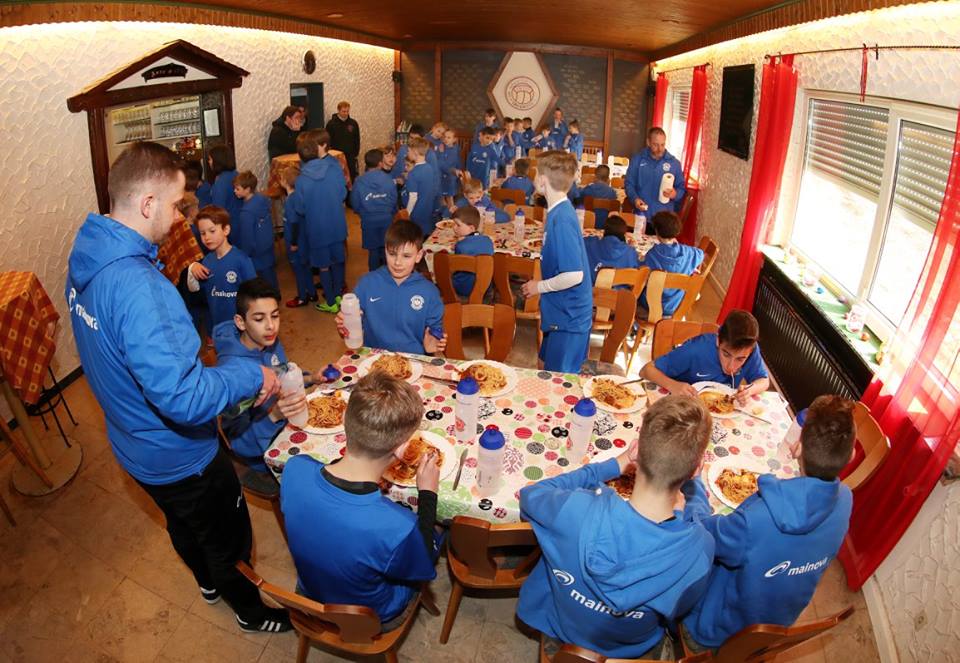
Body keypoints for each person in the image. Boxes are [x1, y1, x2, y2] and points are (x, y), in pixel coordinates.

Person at [65, 141, 290, 634]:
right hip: (182, 456)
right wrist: (250, 374)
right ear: (147, 203)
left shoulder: (86, 254)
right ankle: (251, 613)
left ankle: (206, 582)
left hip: (133, 447)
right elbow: (184, 398)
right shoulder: (142, 289)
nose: (179, 219)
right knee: (227, 537)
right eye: (174, 205)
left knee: (182, 524)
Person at [517, 395, 715, 659]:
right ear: (696, 468)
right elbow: (680, 609)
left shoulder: (576, 510)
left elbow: (532, 495)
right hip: (628, 648)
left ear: (635, 450)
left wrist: (615, 464)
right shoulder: (701, 550)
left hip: (564, 627)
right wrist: (691, 501)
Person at [682, 395, 856, 653]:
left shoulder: (757, 519)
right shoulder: (846, 500)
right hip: (773, 629)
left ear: (797, 448)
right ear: (851, 455)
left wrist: (695, 486)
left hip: (714, 632)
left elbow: (699, 532)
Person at [280, 371, 441, 629]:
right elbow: (424, 564)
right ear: (402, 449)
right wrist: (428, 494)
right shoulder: (398, 526)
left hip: (309, 593)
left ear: (345, 417)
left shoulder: (294, 468)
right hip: (371, 616)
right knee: (441, 532)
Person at [215, 277, 306, 480]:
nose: (271, 326)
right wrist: (273, 416)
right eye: (259, 319)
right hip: (263, 455)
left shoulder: (269, 342)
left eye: (275, 316)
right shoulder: (232, 376)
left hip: (289, 425)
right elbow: (239, 444)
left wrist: (311, 378)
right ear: (240, 322)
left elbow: (282, 373)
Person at [521, 151, 593, 373]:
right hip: (560, 310)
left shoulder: (561, 219)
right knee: (544, 366)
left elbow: (574, 275)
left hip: (570, 317)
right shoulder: (558, 210)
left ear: (542, 181)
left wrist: (538, 286)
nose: (534, 178)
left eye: (536, 174)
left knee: (559, 381)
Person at [335, 220, 447, 355]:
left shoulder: (429, 292)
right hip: (373, 357)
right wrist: (344, 327)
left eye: (406, 256)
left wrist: (434, 341)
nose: (398, 262)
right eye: (392, 254)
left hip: (413, 359)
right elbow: (350, 330)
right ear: (385, 251)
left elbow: (434, 332)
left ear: (418, 256)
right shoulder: (366, 284)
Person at [641, 309, 771, 404]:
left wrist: (750, 390)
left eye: (740, 359)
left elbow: (764, 381)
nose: (731, 367)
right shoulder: (695, 350)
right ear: (718, 341)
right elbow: (646, 370)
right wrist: (673, 385)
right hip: (680, 405)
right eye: (726, 354)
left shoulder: (750, 349)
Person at [290, 129, 348, 314]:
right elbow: (343, 193)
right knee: (338, 261)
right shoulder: (334, 167)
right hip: (337, 224)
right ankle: (339, 295)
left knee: (323, 266)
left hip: (317, 230)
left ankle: (330, 301)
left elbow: (300, 209)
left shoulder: (301, 180)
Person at [187, 205, 257, 333]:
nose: (207, 237)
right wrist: (192, 269)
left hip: (242, 327)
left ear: (226, 230)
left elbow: (255, 295)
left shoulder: (242, 260)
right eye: (203, 233)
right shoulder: (206, 262)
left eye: (212, 231)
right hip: (219, 327)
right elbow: (195, 290)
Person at [637, 210, 704, 316]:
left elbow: (641, 273)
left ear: (657, 232)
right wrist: (691, 268)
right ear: (677, 232)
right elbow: (701, 254)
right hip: (675, 306)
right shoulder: (689, 253)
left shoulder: (653, 254)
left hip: (649, 304)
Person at [624, 127, 686, 226]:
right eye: (655, 145)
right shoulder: (637, 159)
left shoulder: (674, 163)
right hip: (642, 215)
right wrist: (635, 199)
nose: (660, 149)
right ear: (648, 142)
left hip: (664, 219)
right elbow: (629, 184)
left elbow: (681, 188)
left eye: (662, 145)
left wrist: (675, 194)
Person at [351, 148, 398, 272]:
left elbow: (355, 203)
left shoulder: (359, 181)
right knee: (386, 249)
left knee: (373, 251)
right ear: (380, 163)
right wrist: (390, 213)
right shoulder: (388, 179)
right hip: (386, 219)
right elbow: (393, 200)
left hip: (368, 220)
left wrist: (362, 213)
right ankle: (387, 275)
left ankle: (373, 276)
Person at [278, 164, 317, 308]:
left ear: (285, 182)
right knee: (306, 267)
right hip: (305, 239)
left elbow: (293, 223)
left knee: (299, 270)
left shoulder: (290, 201)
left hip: (296, 241)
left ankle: (302, 297)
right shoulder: (300, 197)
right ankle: (312, 292)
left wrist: (293, 243)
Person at [233, 170, 278, 291]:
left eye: (237, 189)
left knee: (261, 281)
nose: (234, 191)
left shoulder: (246, 213)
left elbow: (247, 238)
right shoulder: (262, 199)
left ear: (247, 189)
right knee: (271, 275)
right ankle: (276, 294)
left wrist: (245, 254)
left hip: (256, 253)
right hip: (268, 246)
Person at [452, 205, 494, 298]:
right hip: (485, 288)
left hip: (463, 289)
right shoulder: (488, 240)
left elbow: (456, 268)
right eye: (454, 224)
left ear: (471, 228)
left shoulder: (460, 246)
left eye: (458, 225)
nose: (454, 228)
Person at [584, 214, 640, 283]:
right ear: (623, 234)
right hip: (621, 289)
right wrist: (629, 247)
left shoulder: (590, 244)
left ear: (604, 231)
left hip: (594, 288)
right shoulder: (630, 252)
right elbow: (636, 272)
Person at [208, 145, 242, 233]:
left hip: (230, 226)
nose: (209, 162)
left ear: (217, 160)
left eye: (210, 159)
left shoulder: (220, 183)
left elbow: (218, 211)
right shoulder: (237, 174)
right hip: (241, 222)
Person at [325, 100, 361, 182]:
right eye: (343, 111)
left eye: (347, 111)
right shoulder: (331, 124)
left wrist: (356, 152)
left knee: (351, 173)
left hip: (350, 154)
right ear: (338, 110)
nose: (346, 113)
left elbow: (357, 138)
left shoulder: (353, 123)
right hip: (337, 155)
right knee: (338, 174)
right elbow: (328, 139)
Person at [579, 165, 619, 229]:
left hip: (588, 226)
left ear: (595, 177)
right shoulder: (612, 193)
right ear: (608, 179)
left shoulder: (588, 189)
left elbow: (579, 198)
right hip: (605, 227)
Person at [438, 128, 463, 210]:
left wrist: (459, 171)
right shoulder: (442, 147)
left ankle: (451, 213)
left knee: (450, 197)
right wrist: (441, 153)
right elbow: (441, 164)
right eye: (445, 137)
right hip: (442, 175)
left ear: (454, 139)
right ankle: (444, 213)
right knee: (442, 197)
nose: (446, 139)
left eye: (449, 137)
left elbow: (456, 161)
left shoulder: (455, 149)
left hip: (451, 176)